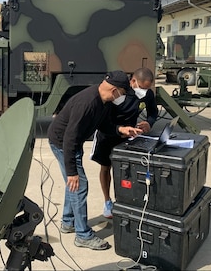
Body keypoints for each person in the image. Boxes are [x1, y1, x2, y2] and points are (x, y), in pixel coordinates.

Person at [47, 70, 143, 250]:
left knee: (74, 185)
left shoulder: (104, 101)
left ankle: (68, 222)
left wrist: (121, 129)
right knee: (79, 184)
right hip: (62, 143)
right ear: (115, 90)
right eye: (123, 93)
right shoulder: (88, 103)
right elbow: (69, 138)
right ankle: (83, 235)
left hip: (72, 143)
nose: (123, 97)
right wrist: (72, 172)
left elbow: (104, 125)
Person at [90, 67, 158, 219]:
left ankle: (127, 200)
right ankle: (107, 201)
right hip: (108, 134)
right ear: (133, 81)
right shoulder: (118, 93)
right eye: (142, 87)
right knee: (106, 167)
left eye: (147, 88)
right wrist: (119, 129)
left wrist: (149, 123)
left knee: (128, 170)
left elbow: (153, 112)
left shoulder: (147, 95)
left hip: (129, 137)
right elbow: (102, 120)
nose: (144, 91)